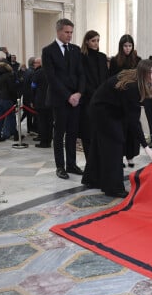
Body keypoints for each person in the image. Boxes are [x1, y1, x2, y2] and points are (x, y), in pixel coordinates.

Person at [82, 59, 152, 197]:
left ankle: (93, 179)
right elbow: (134, 121)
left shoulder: (134, 77)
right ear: (143, 73)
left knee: (101, 145)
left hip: (107, 107)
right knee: (115, 145)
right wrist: (146, 146)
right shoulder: (133, 87)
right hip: (102, 110)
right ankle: (113, 188)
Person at [42, 18, 85, 179]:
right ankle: (60, 166)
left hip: (76, 99)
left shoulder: (75, 49)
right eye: (67, 32)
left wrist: (79, 93)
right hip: (60, 100)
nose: (69, 35)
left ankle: (72, 164)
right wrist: (68, 96)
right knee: (59, 134)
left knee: (73, 133)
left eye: (71, 32)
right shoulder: (48, 51)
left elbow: (81, 73)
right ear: (59, 31)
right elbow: (52, 78)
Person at [109, 34, 142, 167]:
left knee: (132, 129)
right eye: (125, 46)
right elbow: (111, 79)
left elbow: (140, 79)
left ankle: (130, 156)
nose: (127, 48)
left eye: (130, 46)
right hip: (119, 99)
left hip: (133, 99)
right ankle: (120, 156)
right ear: (121, 46)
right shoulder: (115, 60)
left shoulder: (138, 60)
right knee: (120, 129)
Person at [79, 30, 109, 160]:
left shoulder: (102, 57)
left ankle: (99, 161)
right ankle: (90, 162)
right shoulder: (82, 57)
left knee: (100, 132)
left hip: (102, 101)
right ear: (87, 41)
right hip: (87, 99)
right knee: (88, 133)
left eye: (97, 40)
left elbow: (106, 78)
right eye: (93, 40)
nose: (96, 43)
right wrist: (94, 93)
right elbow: (82, 78)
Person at [0, 61, 18, 142]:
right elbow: (12, 89)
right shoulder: (9, 75)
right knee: (11, 117)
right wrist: (15, 99)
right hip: (6, 98)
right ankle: (15, 135)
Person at [31, 57, 53, 148]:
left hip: (40, 101)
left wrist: (32, 100)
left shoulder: (38, 73)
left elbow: (33, 87)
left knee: (42, 122)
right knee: (50, 122)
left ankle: (44, 142)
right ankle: (49, 140)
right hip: (51, 101)